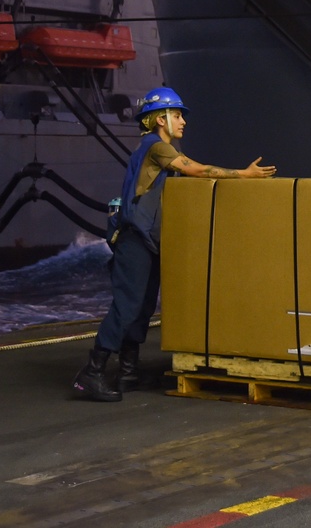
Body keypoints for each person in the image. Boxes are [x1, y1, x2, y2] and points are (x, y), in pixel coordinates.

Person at [72, 87, 277, 402]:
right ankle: (92, 373)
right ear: (160, 119)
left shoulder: (154, 151)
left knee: (141, 308)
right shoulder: (156, 147)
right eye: (177, 115)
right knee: (127, 307)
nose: (183, 122)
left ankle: (127, 371)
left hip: (148, 241)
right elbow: (194, 169)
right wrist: (243, 175)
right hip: (134, 240)